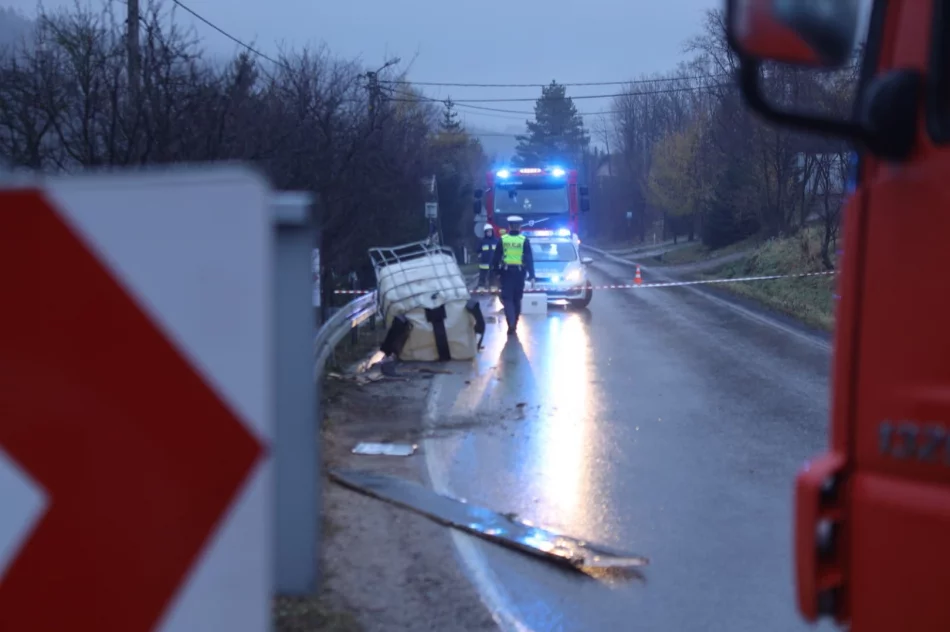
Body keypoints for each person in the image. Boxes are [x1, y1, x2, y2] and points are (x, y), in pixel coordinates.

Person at [490, 215, 536, 336]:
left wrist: (495, 272)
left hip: (506, 273)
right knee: (517, 298)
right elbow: (529, 259)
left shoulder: (503, 239)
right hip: (520, 274)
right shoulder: (524, 240)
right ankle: (514, 322)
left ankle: (511, 323)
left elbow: (496, 257)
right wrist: (532, 275)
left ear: (509, 226)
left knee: (507, 299)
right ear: (520, 226)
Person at [476, 224, 499, 290]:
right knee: (482, 275)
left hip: (493, 262)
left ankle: (493, 287)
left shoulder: (496, 241)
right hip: (484, 262)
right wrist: (480, 255)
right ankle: (481, 287)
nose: (489, 233)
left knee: (493, 276)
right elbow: (478, 250)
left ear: (492, 232)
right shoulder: (482, 241)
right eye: (487, 232)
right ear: (485, 232)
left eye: (490, 231)